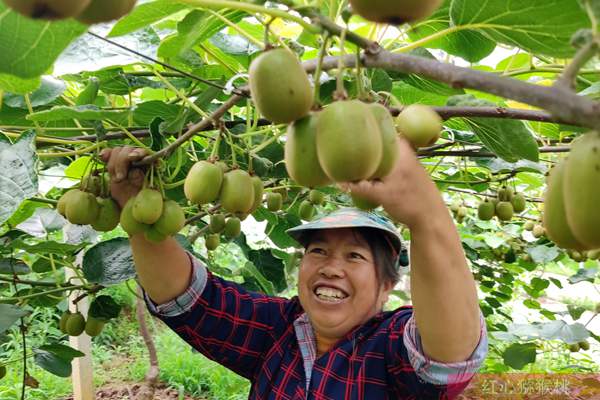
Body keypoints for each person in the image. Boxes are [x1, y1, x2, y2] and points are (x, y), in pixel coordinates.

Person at [100, 138, 487, 399]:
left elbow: (448, 357)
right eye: (318, 251)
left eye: (354, 256)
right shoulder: (278, 330)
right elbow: (187, 299)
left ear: (387, 286)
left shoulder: (388, 348)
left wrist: (427, 218)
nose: (331, 267)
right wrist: (137, 205)